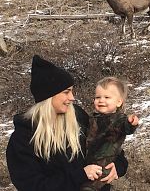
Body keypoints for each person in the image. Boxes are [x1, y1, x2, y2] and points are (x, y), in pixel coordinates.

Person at [6, 55, 128, 191]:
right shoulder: (22, 139)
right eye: (66, 92)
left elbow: (107, 143)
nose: (72, 97)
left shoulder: (78, 117)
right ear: (48, 96)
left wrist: (117, 166)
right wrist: (80, 175)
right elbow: (33, 186)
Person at [81, 76, 139, 191]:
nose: (101, 100)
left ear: (119, 102)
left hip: (104, 162)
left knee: (89, 187)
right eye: (98, 97)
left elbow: (125, 127)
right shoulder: (92, 117)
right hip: (89, 160)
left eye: (107, 97)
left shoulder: (118, 119)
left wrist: (131, 123)